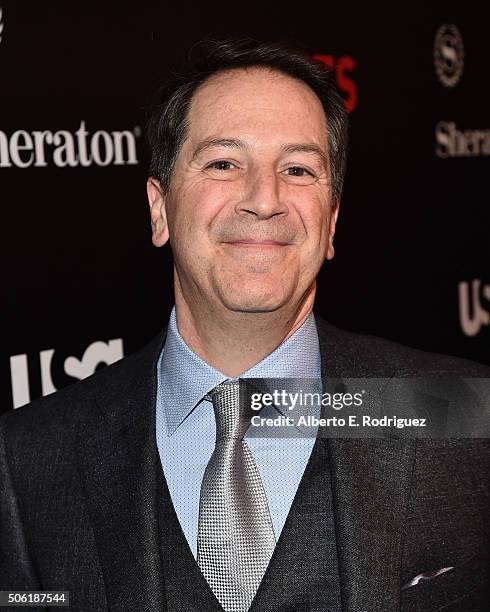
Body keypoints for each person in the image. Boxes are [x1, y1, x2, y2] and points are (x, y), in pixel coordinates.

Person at [1, 39, 489, 612]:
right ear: (159, 209)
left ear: (331, 223)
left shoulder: (467, 417)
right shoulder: (28, 460)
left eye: (298, 168)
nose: (265, 199)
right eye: (224, 163)